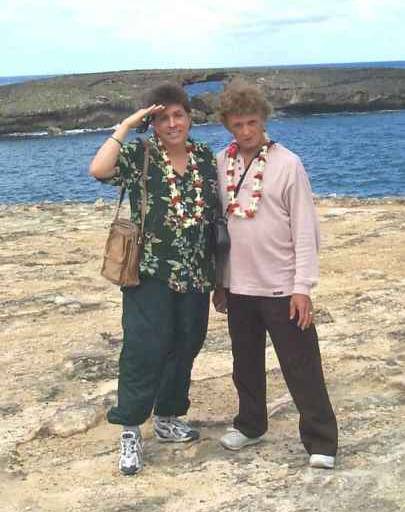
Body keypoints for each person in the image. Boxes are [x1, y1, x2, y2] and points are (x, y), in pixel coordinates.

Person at [89, 83, 217, 475]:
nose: (172, 123)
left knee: (186, 344)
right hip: (149, 273)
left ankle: (167, 416)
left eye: (179, 115)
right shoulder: (139, 154)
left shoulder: (205, 157)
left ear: (190, 117)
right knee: (145, 348)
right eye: (162, 118)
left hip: (196, 273)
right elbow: (99, 169)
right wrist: (127, 125)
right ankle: (130, 428)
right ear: (152, 122)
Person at [213, 80, 338, 469]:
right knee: (245, 362)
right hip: (239, 286)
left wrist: (303, 288)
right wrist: (220, 282)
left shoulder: (288, 164)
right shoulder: (222, 163)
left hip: (283, 286)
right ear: (228, 126)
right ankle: (250, 424)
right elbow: (219, 225)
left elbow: (305, 229)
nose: (246, 131)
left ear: (264, 119)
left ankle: (321, 441)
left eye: (252, 122)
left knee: (301, 365)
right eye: (237, 125)